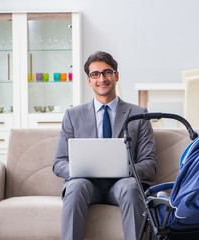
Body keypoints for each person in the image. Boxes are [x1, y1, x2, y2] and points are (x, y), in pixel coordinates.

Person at [53, 51, 157, 240]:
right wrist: (76, 170)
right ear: (89, 80)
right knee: (75, 187)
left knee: (131, 186)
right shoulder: (73, 115)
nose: (102, 78)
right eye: (95, 74)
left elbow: (150, 163)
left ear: (116, 76)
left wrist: (128, 171)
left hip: (122, 184)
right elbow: (59, 162)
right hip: (86, 184)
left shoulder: (139, 114)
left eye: (107, 72)